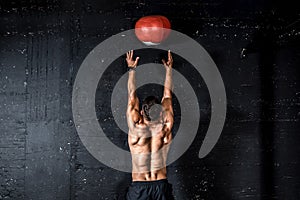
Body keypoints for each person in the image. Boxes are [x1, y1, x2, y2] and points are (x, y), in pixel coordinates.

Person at [125, 50, 175, 200]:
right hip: (161, 185)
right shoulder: (165, 127)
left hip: (139, 186)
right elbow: (167, 95)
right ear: (161, 113)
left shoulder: (135, 129)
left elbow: (131, 96)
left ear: (141, 112)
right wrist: (169, 70)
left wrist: (132, 69)